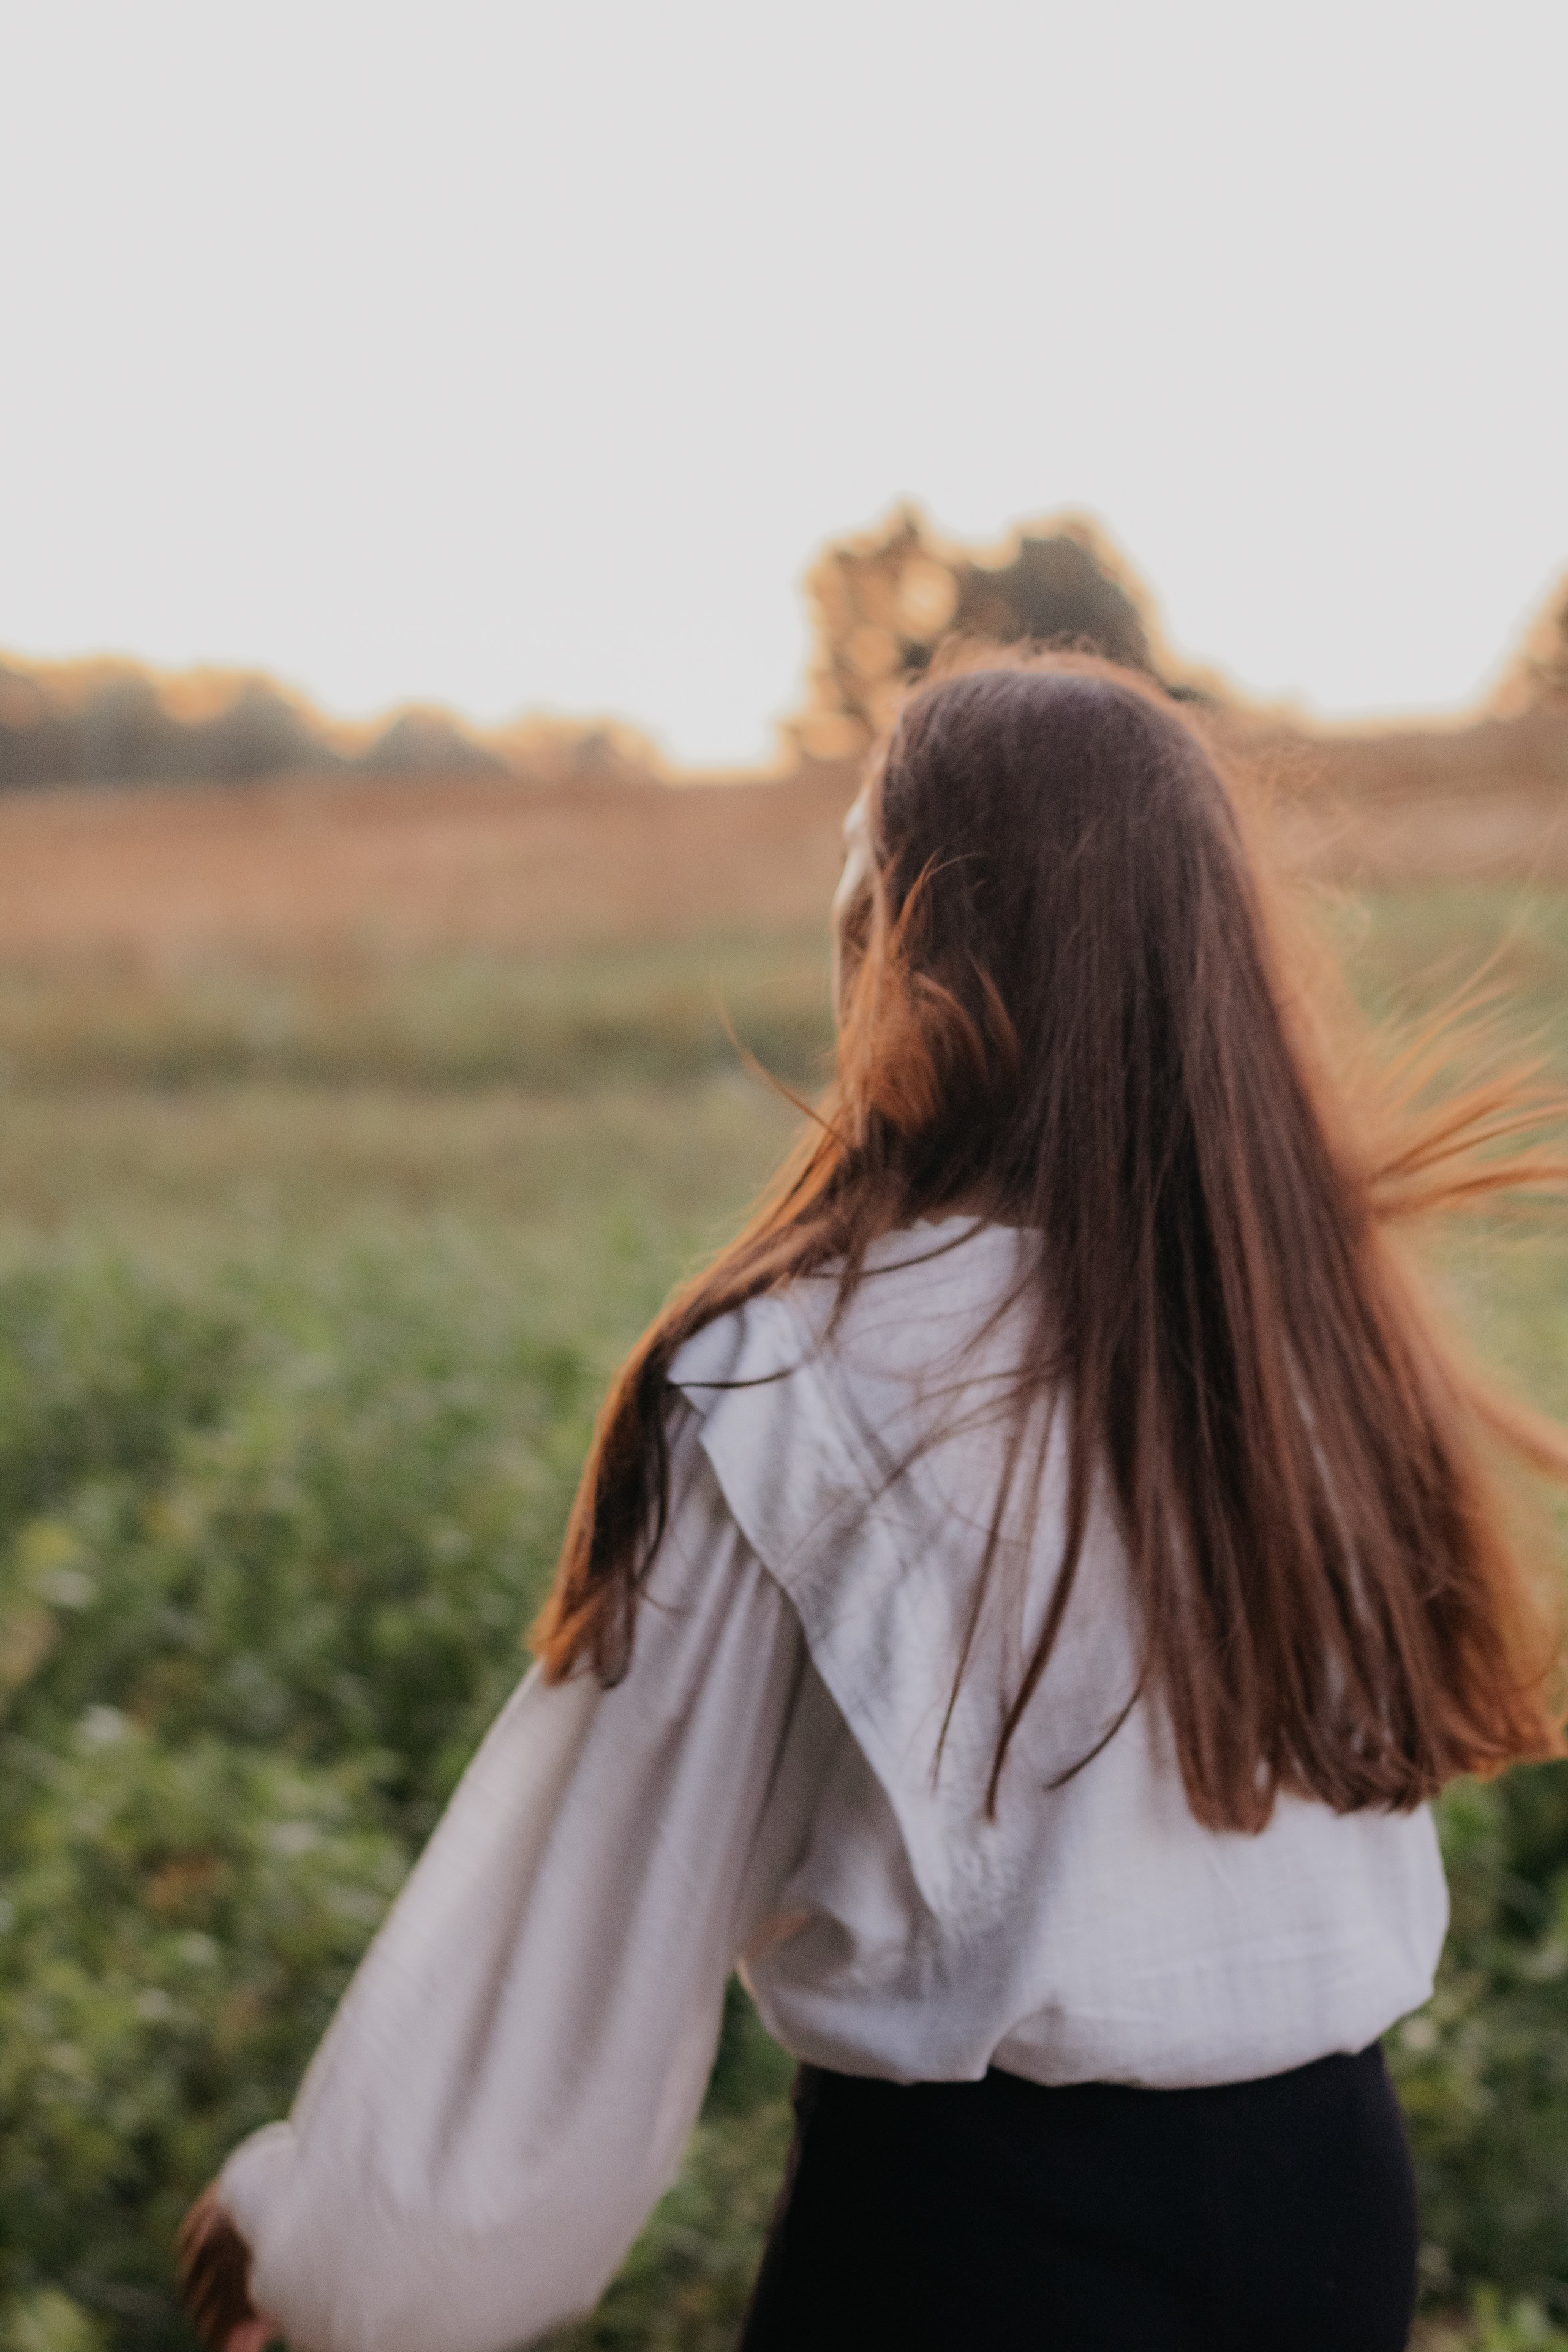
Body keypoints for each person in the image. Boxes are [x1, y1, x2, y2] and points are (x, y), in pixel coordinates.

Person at [179, 653, 1567, 2352]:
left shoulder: (800, 1371)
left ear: (908, 942)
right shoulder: (1308, 1340)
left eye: (862, 882)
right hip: (1330, 2218)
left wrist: (338, 2254)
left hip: (982, 2251)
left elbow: (605, 1886)